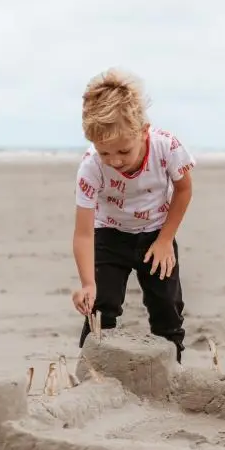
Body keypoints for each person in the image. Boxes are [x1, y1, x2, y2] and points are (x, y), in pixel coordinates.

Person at [71, 68, 195, 363]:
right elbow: (84, 233)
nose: (114, 161)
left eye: (123, 152)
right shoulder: (90, 167)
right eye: (105, 153)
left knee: (166, 306)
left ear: (143, 130)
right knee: (101, 306)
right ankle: (92, 369)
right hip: (110, 236)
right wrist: (88, 283)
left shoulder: (167, 147)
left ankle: (172, 369)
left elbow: (183, 191)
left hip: (156, 234)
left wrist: (166, 240)